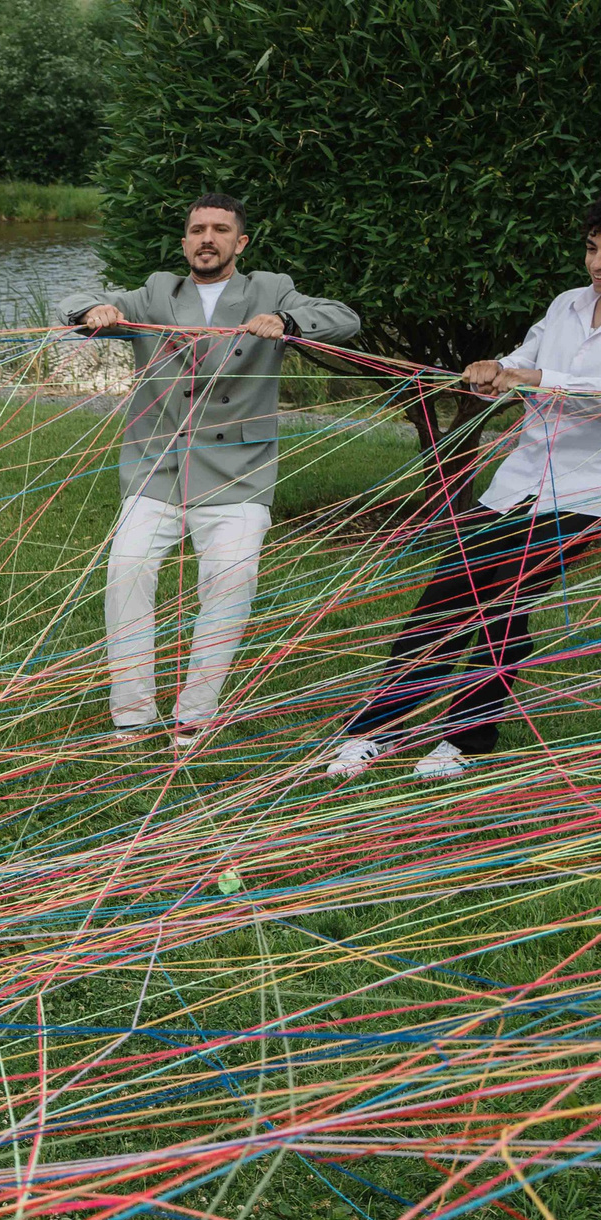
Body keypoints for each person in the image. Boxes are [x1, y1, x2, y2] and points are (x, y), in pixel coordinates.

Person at [61, 193, 361, 749]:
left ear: (240, 243)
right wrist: (90, 313)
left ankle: (194, 714)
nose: (207, 238)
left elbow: (345, 319)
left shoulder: (271, 289)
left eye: (220, 230)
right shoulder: (156, 291)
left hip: (239, 471)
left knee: (229, 583)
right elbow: (79, 300)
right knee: (125, 574)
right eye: (197, 229)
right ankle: (131, 714)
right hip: (156, 468)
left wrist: (288, 320)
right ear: (184, 242)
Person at [329, 201, 601, 780]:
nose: (598, 263)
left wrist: (537, 378)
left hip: (586, 497)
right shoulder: (566, 306)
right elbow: (520, 362)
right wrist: (491, 370)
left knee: (504, 602)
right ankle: (378, 729)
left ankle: (465, 739)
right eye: (594, 248)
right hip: (515, 486)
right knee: (441, 599)